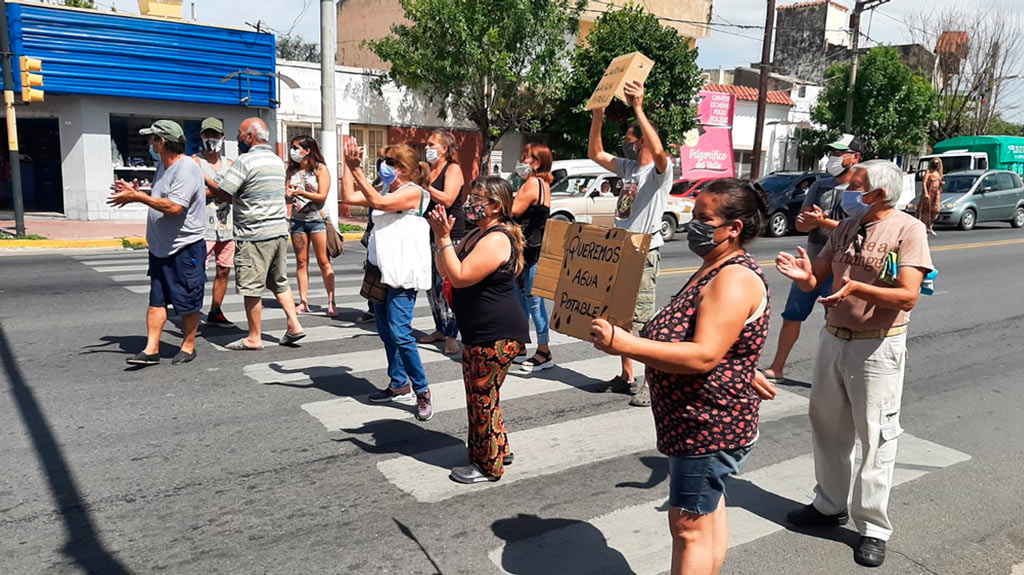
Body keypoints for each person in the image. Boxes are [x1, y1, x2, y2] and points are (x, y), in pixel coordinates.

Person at [590, 179, 776, 575]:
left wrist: (625, 345)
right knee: (707, 510)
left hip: (708, 426)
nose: (695, 225)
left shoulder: (733, 278)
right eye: (695, 215)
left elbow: (704, 355)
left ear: (734, 228)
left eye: (705, 218)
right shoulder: (714, 267)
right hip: (694, 421)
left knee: (688, 525)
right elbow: (725, 344)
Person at [776, 160, 933, 568]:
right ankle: (829, 506)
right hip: (834, 338)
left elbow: (908, 296)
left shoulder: (908, 230)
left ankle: (873, 528)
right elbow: (818, 277)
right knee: (827, 426)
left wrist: (857, 288)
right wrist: (802, 276)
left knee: (876, 437)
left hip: (877, 346)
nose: (848, 188)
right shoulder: (846, 227)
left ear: (879, 192)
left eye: (856, 184)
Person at [429, 176, 529, 483]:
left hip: (494, 335)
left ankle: (487, 466)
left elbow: (459, 276)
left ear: (496, 207)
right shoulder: (478, 234)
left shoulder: (497, 239)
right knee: (486, 397)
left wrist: (445, 237)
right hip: (482, 331)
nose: (471, 204)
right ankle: (498, 449)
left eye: (478, 199)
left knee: (480, 399)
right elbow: (445, 267)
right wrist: (440, 237)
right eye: (471, 197)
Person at [588, 79, 673, 407]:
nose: (627, 145)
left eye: (630, 140)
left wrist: (638, 108)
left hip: (643, 253)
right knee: (620, 318)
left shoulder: (659, 174)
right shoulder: (627, 171)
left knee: (645, 322)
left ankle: (654, 381)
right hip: (621, 250)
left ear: (642, 143)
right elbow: (595, 153)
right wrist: (597, 116)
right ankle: (627, 376)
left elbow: (661, 152)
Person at [342, 140, 434, 421]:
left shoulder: (415, 193)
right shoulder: (383, 188)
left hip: (403, 272)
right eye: (384, 160)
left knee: (401, 332)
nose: (384, 166)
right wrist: (348, 164)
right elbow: (348, 196)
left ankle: (422, 391)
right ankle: (398, 383)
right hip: (380, 269)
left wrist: (358, 171)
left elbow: (380, 203)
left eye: (391, 162)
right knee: (385, 330)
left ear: (405, 169)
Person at [760, 134, 863, 385]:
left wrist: (823, 221)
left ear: (856, 157)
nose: (833, 158)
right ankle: (777, 367)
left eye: (840, 153)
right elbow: (802, 224)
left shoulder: (860, 191)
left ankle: (834, 377)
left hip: (842, 269)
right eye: (833, 153)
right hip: (812, 263)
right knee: (792, 315)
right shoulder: (819, 186)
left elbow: (858, 231)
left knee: (837, 324)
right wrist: (806, 222)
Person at [108, 120, 207, 366]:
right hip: (161, 248)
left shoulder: (186, 168)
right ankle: (151, 348)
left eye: (152, 139)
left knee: (187, 301)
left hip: (184, 247)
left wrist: (138, 197)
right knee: (157, 300)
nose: (149, 144)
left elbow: (175, 207)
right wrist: (136, 192)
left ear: (162, 142)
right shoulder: (163, 166)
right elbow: (161, 198)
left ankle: (189, 345)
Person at [209, 118, 305, 350]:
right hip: (278, 231)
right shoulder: (274, 160)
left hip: (254, 233)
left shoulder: (245, 160)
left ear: (250, 137)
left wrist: (203, 177)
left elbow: (224, 193)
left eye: (241, 134)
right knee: (279, 281)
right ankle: (294, 324)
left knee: (252, 287)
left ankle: (254, 337)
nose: (238, 138)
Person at [418, 130, 465, 355]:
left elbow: (448, 198)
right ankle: (440, 327)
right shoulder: (429, 169)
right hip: (429, 231)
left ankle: (451, 335)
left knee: (447, 284)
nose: (427, 148)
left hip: (449, 233)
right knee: (431, 285)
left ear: (445, 148)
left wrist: (426, 186)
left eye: (432, 144)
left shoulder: (452, 169)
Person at [510, 143, 554, 371]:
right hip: (531, 249)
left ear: (536, 163)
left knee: (534, 303)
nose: (520, 161)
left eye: (524, 157)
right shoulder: (544, 184)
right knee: (523, 301)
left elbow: (513, 210)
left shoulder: (532, 183)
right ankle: (522, 346)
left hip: (530, 251)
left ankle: (544, 351)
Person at [286, 135, 337, 316]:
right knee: (301, 262)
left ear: (307, 151)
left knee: (324, 261)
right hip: (298, 221)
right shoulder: (291, 171)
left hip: (317, 219)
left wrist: (301, 192)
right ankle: (303, 301)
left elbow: (322, 196)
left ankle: (331, 302)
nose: (292, 151)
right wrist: (289, 196)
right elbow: (286, 195)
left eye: (295, 147)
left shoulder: (320, 169)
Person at [192, 117, 234, 326]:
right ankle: (192, 312)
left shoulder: (230, 164)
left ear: (223, 138)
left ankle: (216, 310)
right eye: (208, 135)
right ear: (201, 136)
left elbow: (234, 193)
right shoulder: (194, 162)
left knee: (224, 269)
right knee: (198, 271)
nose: (211, 139)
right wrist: (220, 191)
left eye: (215, 135)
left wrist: (213, 189)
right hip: (203, 227)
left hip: (227, 227)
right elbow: (195, 193)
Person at [917, 157, 942, 235]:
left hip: (936, 192)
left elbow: (939, 182)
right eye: (935, 163)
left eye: (937, 163)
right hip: (929, 192)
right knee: (926, 210)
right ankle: (924, 227)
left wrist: (940, 186)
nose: (936, 164)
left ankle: (931, 225)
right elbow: (924, 182)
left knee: (936, 209)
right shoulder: (928, 172)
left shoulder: (939, 173)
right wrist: (925, 193)